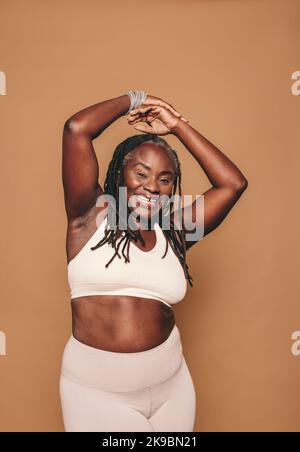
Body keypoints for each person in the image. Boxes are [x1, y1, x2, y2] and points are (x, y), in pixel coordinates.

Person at [59, 90, 248, 432]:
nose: (152, 188)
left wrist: (178, 125)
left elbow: (232, 184)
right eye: (141, 174)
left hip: (171, 389)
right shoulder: (90, 216)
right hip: (96, 393)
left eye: (165, 179)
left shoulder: (175, 233)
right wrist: (136, 98)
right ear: (119, 175)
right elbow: (76, 129)